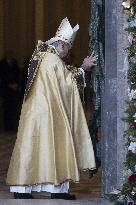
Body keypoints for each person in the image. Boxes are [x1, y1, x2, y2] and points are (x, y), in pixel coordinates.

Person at [6, 17, 97, 200]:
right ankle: (56, 189)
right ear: (62, 45)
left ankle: (23, 189)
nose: (67, 53)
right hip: (49, 113)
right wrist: (83, 68)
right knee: (53, 147)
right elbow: (67, 84)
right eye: (67, 49)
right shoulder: (52, 59)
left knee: (34, 148)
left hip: (35, 113)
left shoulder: (42, 56)